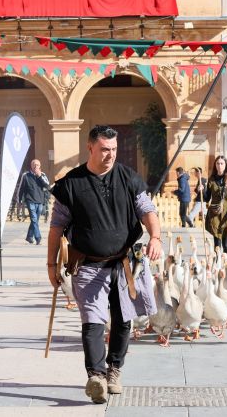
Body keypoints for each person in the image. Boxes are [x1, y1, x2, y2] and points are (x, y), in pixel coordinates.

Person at [47, 125, 161, 404]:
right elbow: (56, 227)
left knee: (123, 319)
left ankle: (114, 370)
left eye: (113, 149)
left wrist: (155, 236)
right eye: (104, 149)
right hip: (87, 264)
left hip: (123, 263)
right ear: (90, 148)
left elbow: (147, 210)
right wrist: (51, 265)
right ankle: (96, 375)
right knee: (93, 319)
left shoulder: (129, 178)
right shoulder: (71, 184)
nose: (110, 155)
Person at [203, 155, 227, 255]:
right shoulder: (211, 180)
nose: (219, 165)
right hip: (215, 214)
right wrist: (202, 190)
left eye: (221, 163)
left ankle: (226, 264)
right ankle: (217, 266)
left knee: (226, 245)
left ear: (225, 165)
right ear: (215, 165)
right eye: (217, 163)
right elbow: (207, 198)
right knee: (217, 244)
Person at [18, 159, 49, 244]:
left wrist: (39, 176)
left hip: (40, 200)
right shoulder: (26, 175)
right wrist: (19, 200)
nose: (36, 166)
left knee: (35, 220)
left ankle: (29, 236)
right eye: (34, 165)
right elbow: (21, 189)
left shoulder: (43, 175)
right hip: (30, 200)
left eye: (37, 165)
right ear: (31, 166)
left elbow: (47, 185)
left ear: (40, 166)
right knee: (34, 219)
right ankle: (38, 237)